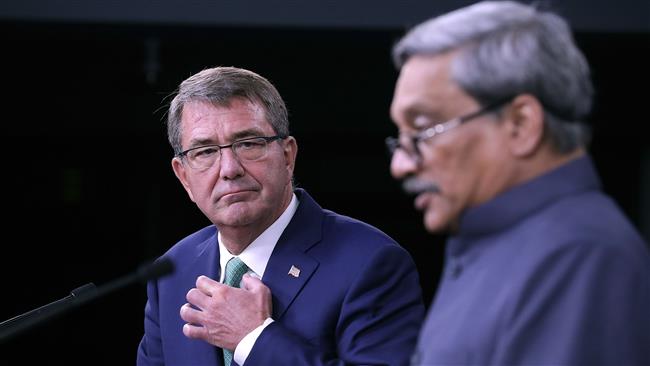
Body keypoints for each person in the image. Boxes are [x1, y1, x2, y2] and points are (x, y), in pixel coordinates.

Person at [386, 1, 650, 365]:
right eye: (400, 138)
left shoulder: (581, 257)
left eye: (423, 129)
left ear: (521, 124)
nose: (400, 165)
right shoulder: (504, 243)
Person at [136, 66, 424, 366]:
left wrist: (254, 340)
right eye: (206, 151)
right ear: (183, 177)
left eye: (248, 143)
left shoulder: (372, 262)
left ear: (288, 156)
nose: (229, 169)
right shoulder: (171, 273)